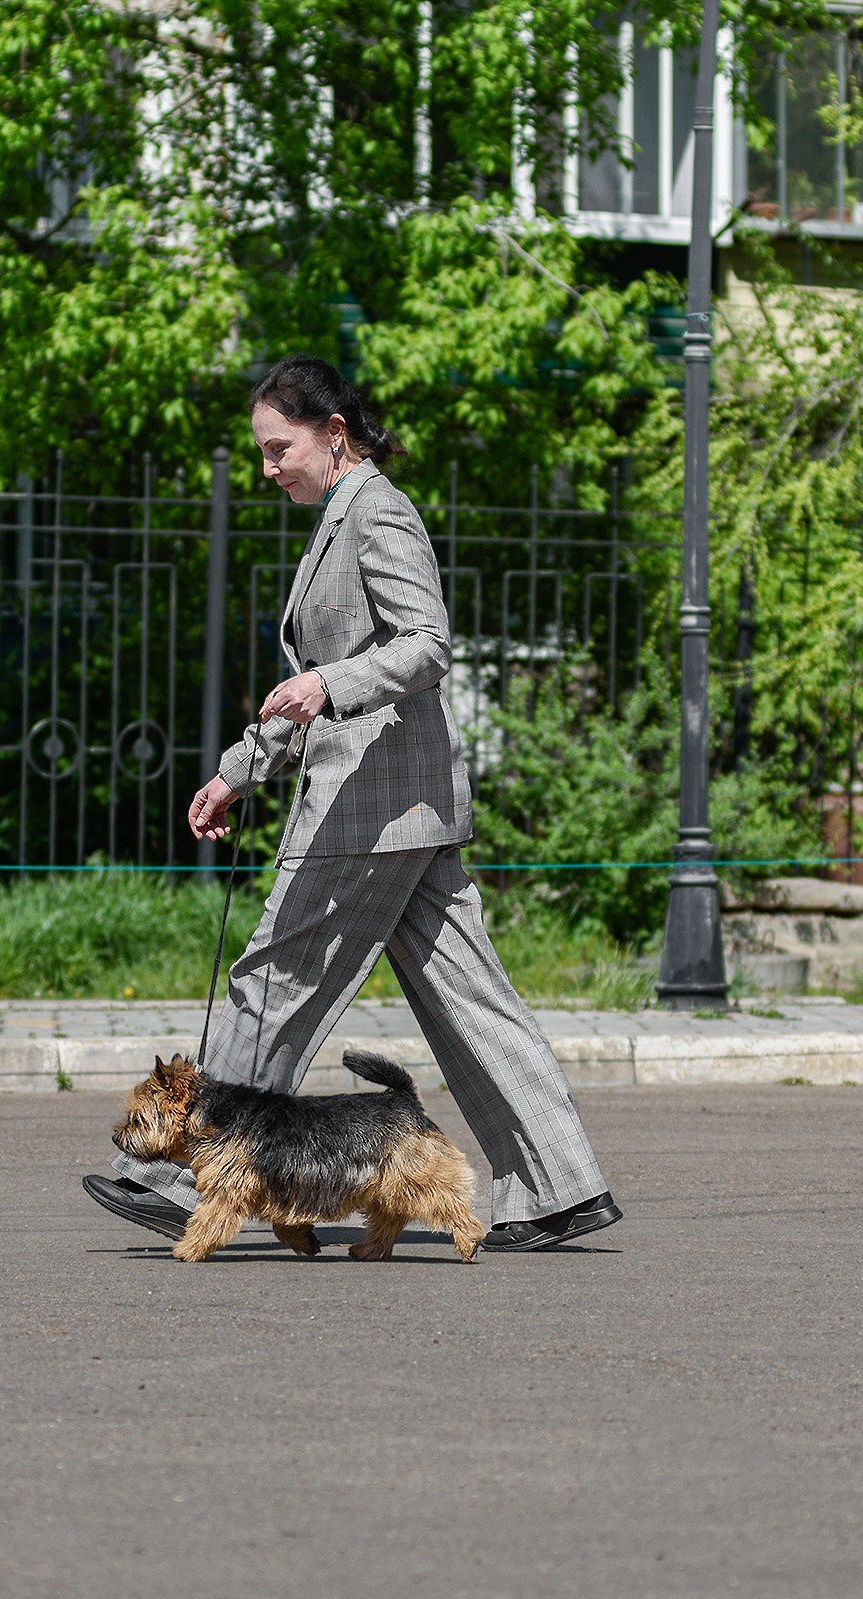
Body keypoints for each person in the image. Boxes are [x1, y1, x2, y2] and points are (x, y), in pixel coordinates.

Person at [83, 355, 620, 1252]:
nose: (268, 470)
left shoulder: (378, 512)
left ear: (334, 434)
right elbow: (307, 689)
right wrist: (237, 771)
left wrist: (330, 685)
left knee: (270, 982)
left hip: (368, 811)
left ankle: (179, 1176)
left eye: (276, 448)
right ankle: (560, 1186)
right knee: (472, 1002)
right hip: (404, 808)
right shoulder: (337, 517)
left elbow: (427, 644)